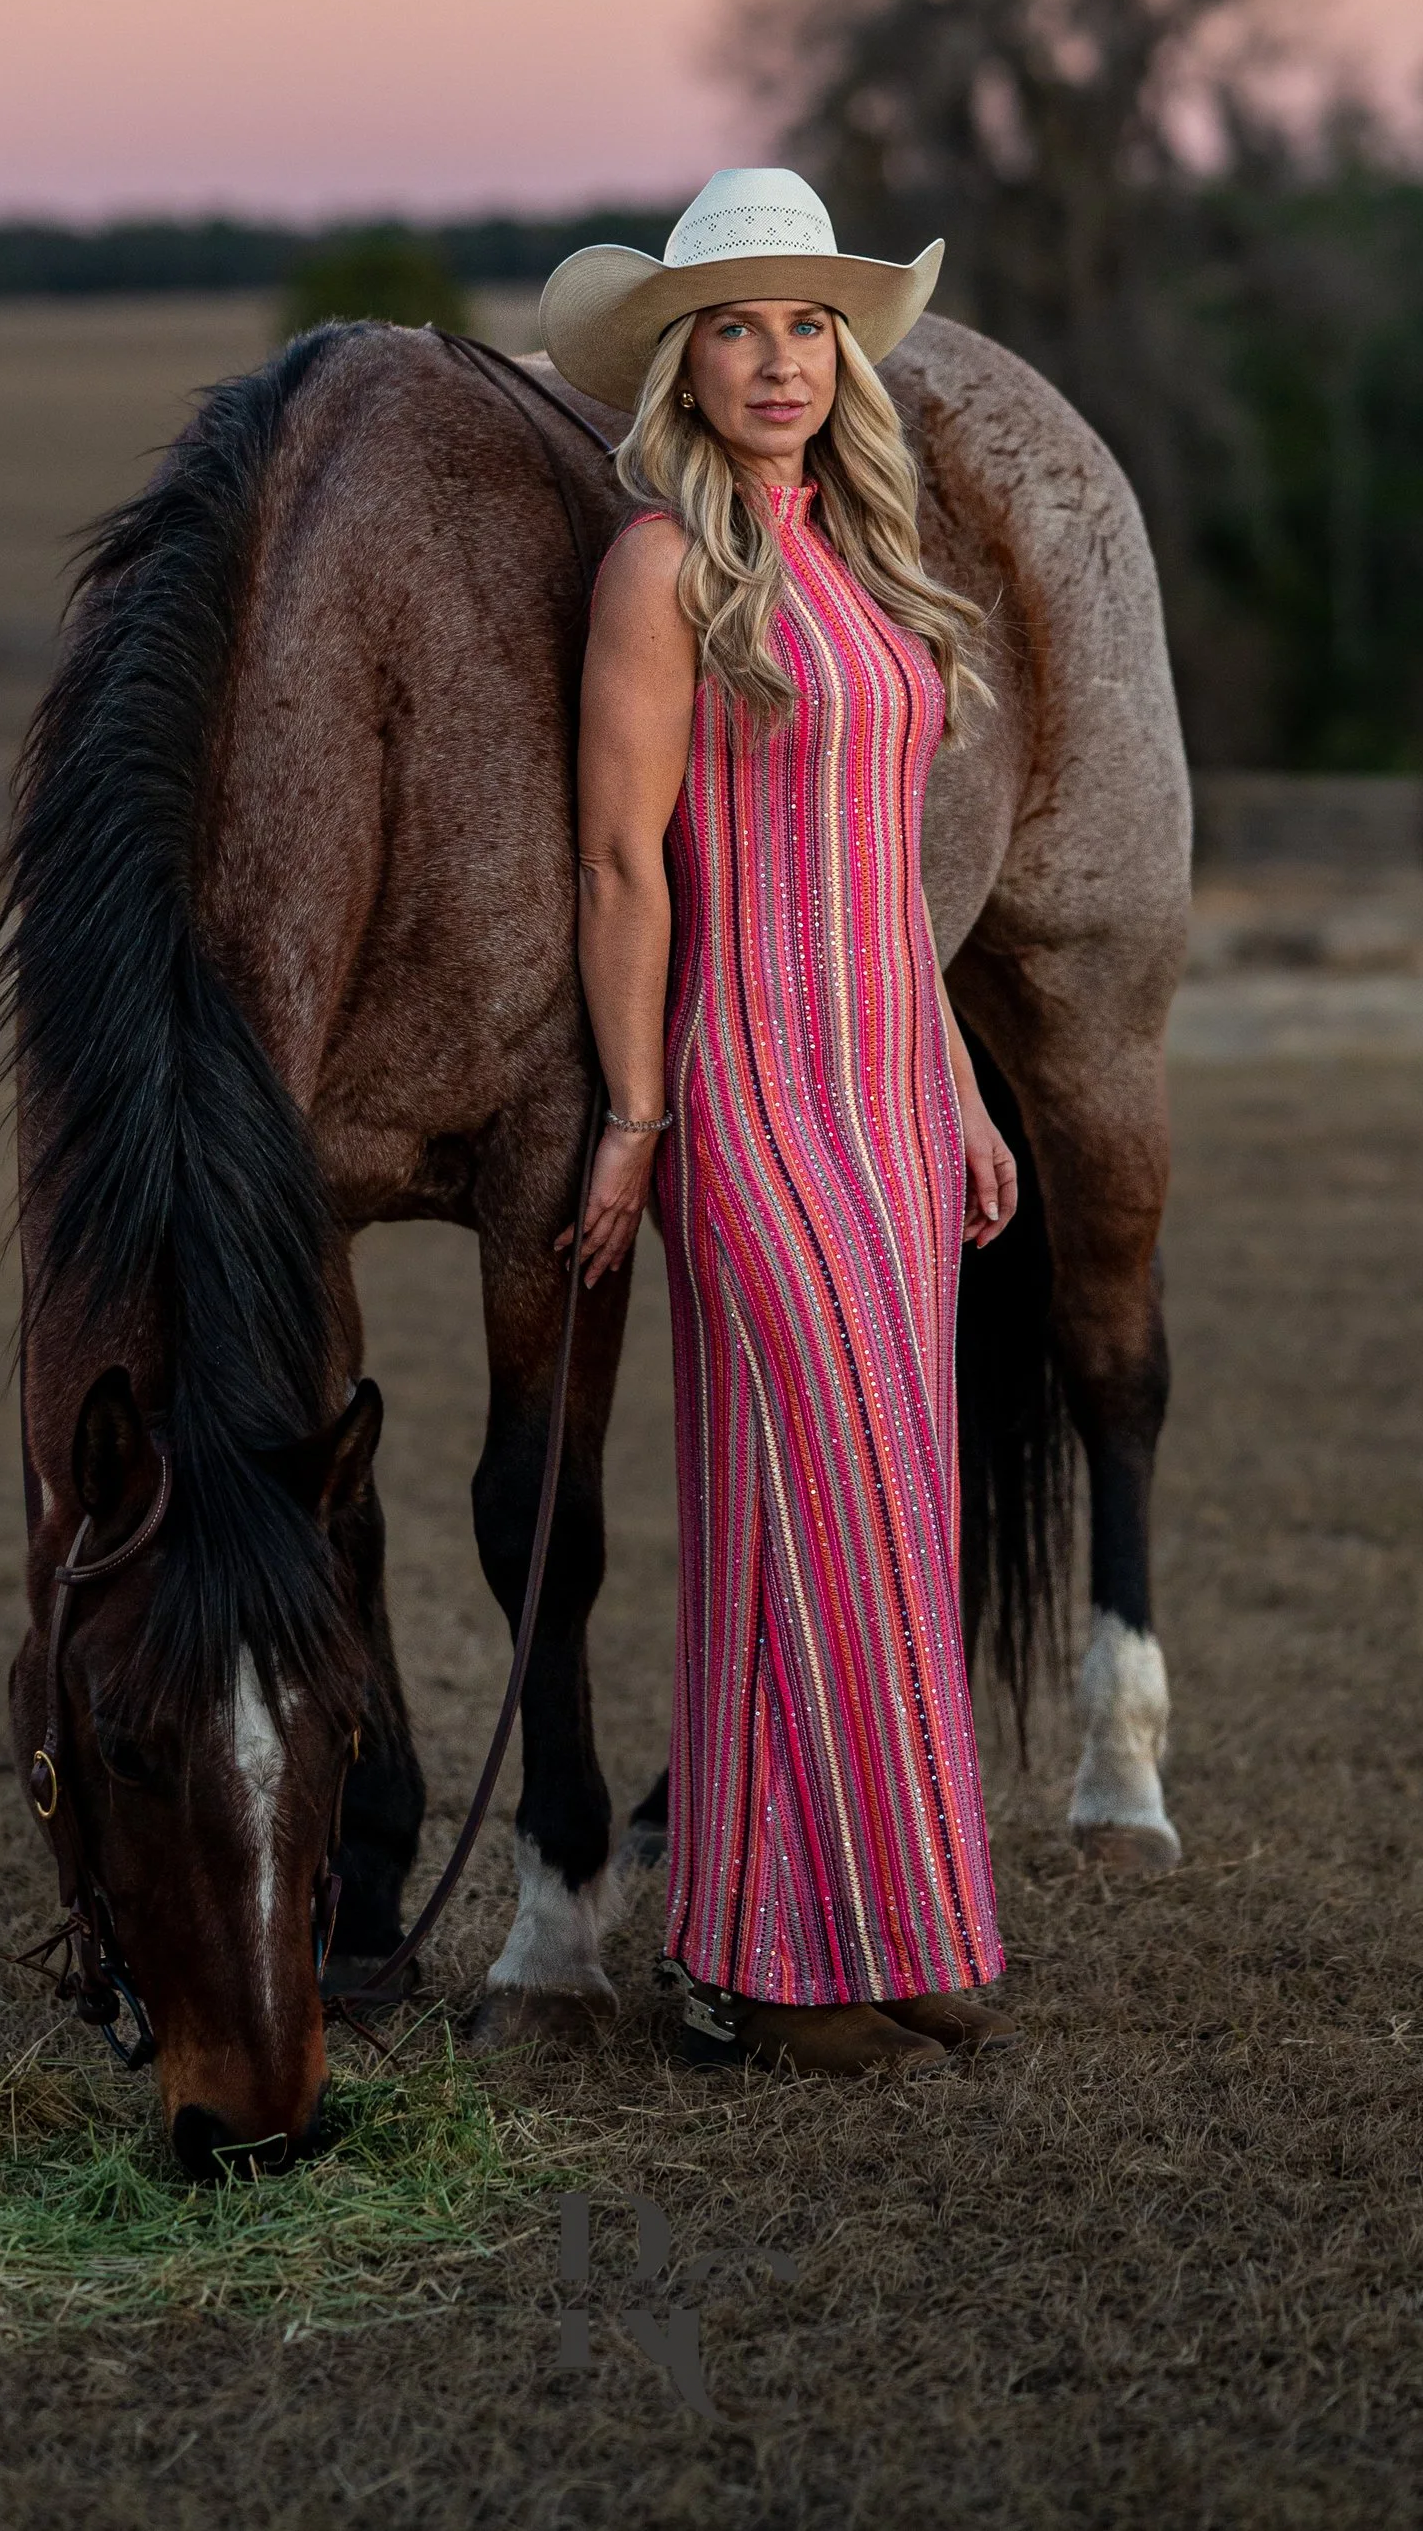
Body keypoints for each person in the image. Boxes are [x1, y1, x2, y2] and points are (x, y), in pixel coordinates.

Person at [538, 169, 1020, 2078]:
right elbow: (617, 862)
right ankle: (774, 1948)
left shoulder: (867, 559)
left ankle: (865, 1934)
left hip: (897, 1102)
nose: (778, 359)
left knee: (879, 1503)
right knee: (808, 1483)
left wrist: (967, 1094)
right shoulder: (660, 565)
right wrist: (639, 1114)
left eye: (807, 324)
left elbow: (895, 878)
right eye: (736, 326)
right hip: (748, 1089)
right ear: (681, 360)